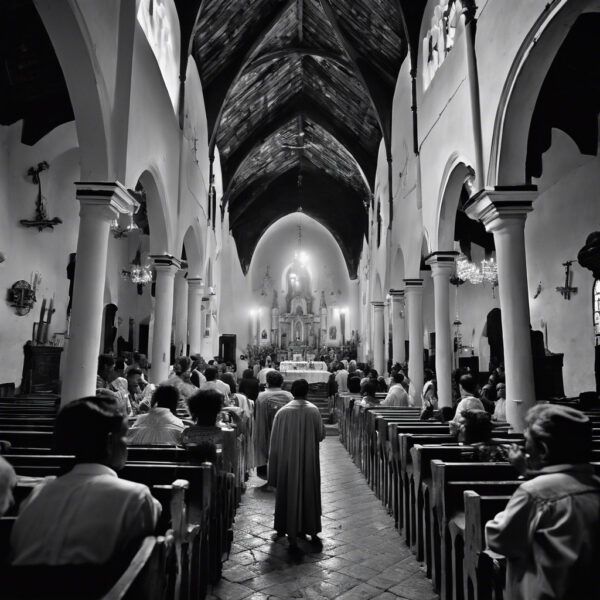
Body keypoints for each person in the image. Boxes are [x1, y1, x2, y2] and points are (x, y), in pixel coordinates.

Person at [11, 396, 161, 566]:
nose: (128, 444)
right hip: (96, 591)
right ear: (110, 441)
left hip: (17, 591)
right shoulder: (135, 496)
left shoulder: (38, 494)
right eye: (125, 435)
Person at [485, 404, 600, 600]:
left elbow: (500, 538)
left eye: (527, 441)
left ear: (543, 449)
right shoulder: (594, 485)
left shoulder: (533, 493)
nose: (524, 447)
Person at [268, 378, 325, 552]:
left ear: (292, 391)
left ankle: (285, 527)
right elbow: (321, 435)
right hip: (308, 458)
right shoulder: (314, 411)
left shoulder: (282, 412)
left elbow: (275, 440)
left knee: (288, 489)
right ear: (307, 392)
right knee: (309, 488)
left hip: (288, 460)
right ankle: (311, 528)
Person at [182, 389, 236, 472]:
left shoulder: (187, 433)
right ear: (217, 411)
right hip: (219, 477)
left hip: (190, 475)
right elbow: (231, 462)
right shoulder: (225, 434)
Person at [254, 370, 294, 479]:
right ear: (281, 382)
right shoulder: (288, 396)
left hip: (265, 429)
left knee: (264, 441)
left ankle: (262, 467)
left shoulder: (261, 397)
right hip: (284, 430)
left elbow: (257, 416)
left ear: (267, 382)